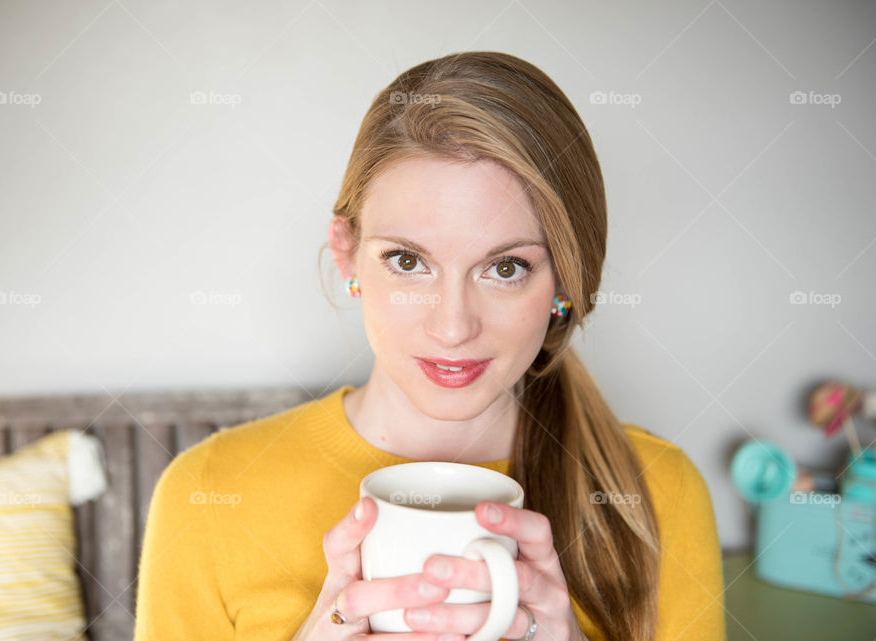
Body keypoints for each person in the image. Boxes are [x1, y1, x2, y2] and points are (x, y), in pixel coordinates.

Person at [133, 51, 725, 641]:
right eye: (408, 261)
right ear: (347, 254)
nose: (451, 327)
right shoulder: (206, 495)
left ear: (566, 280)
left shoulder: (658, 494)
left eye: (507, 267)